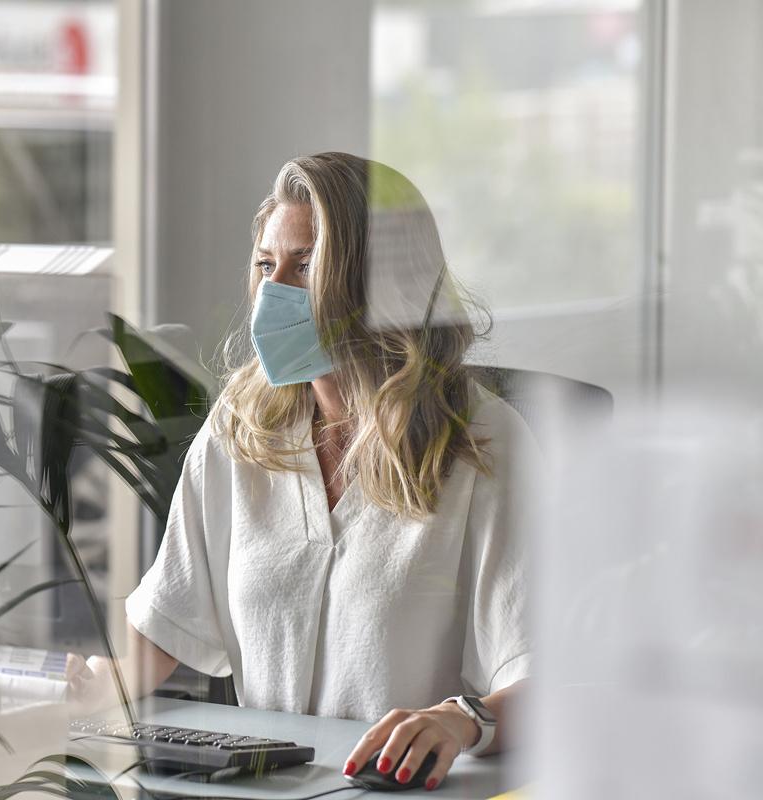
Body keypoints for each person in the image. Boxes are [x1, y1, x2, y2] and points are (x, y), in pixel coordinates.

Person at [69, 153, 538, 792]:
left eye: (307, 264)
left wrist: (460, 721)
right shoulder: (242, 424)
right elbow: (174, 615)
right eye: (267, 264)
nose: (274, 289)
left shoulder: (484, 443)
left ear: (381, 286)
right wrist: (100, 687)